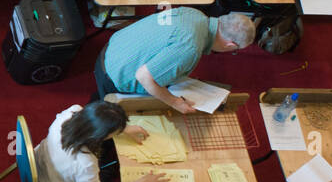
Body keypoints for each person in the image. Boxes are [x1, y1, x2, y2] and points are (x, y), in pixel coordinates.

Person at [33, 102, 169, 182]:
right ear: (101, 135)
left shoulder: (71, 113)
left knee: (109, 167)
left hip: (44, 172)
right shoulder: (85, 164)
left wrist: (123, 129)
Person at [95, 8, 256, 112]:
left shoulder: (195, 14)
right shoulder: (191, 48)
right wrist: (174, 102)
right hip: (114, 77)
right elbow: (143, 77)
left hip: (112, 49)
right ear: (230, 45)